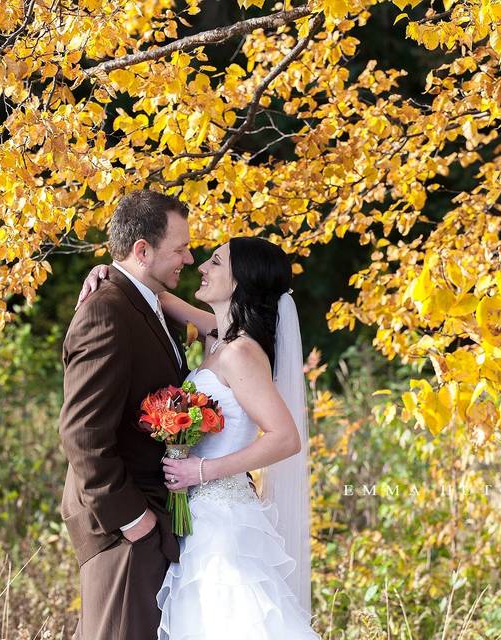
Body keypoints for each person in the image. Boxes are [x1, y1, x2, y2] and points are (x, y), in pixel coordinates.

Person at [76, 236, 318, 639]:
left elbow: (284, 439)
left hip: (222, 519)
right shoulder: (216, 336)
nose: (201, 267)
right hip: (196, 517)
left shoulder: (241, 353)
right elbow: (156, 296)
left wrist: (202, 470)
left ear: (239, 282)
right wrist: (105, 271)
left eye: (215, 262)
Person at [59, 190, 193, 640]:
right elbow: (82, 432)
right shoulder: (106, 311)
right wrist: (132, 518)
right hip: (121, 526)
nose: (189, 259)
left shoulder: (147, 303)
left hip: (150, 518)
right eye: (180, 249)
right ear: (142, 250)